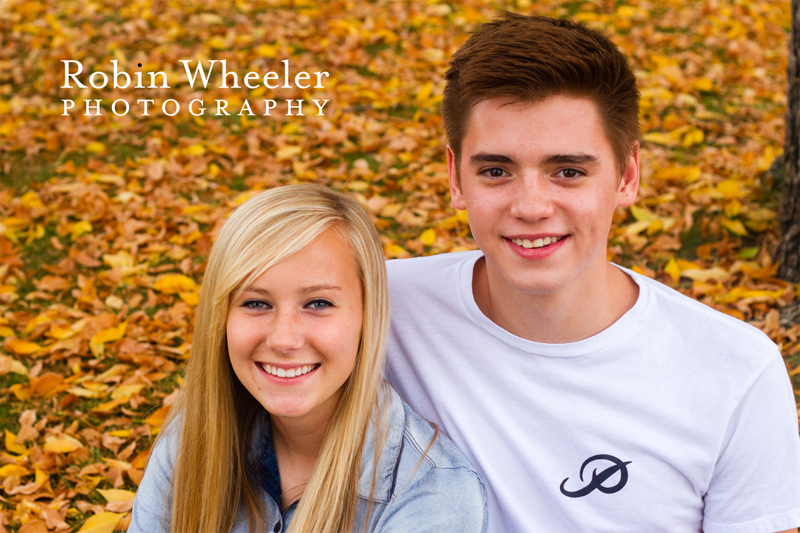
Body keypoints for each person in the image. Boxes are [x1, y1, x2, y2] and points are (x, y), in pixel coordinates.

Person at [384, 12, 800, 533]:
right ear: (455, 177)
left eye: (569, 172)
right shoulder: (376, 308)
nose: (531, 206)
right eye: (496, 171)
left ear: (627, 176)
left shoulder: (735, 371)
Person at [129, 185, 487, 533]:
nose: (284, 339)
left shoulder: (433, 494)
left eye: (318, 303)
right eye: (256, 303)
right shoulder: (194, 438)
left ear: (367, 317)